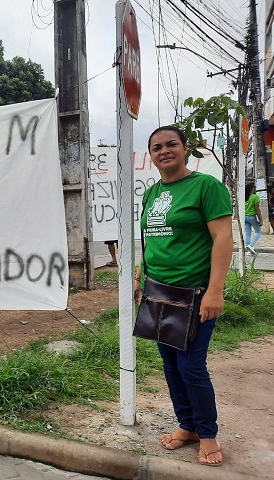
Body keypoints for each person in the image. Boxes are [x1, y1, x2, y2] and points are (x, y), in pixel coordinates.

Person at [134, 126, 232, 467]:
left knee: (192, 367)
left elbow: (223, 238)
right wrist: (139, 276)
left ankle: (207, 433)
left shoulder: (206, 187)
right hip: (159, 292)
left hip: (196, 294)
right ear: (151, 155)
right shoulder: (151, 193)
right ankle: (187, 425)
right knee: (171, 364)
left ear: (185, 148)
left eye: (171, 144)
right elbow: (149, 238)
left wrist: (215, 291)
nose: (164, 150)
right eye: (157, 147)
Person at [244, 183, 262, 256]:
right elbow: (257, 210)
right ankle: (251, 246)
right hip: (252, 216)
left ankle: (249, 251)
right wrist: (261, 220)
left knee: (248, 234)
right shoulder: (255, 197)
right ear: (252, 189)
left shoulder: (244, 197)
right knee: (259, 232)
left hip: (245, 216)